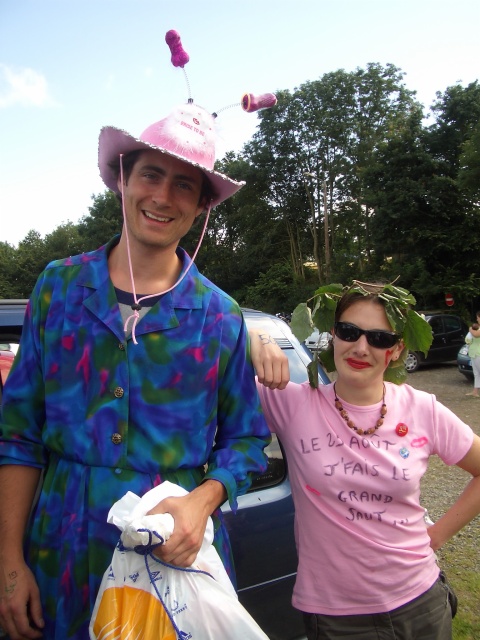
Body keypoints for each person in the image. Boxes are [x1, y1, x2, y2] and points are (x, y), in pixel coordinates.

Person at [0, 82, 275, 640]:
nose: (163, 197)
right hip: (59, 553)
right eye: (151, 175)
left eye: (184, 184)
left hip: (172, 559)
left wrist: (204, 500)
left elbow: (246, 441)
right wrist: (8, 562)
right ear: (123, 179)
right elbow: (18, 435)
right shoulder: (58, 288)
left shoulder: (219, 316)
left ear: (202, 205)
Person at [250, 282, 480, 640]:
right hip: (338, 618)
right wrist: (257, 337)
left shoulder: (423, 409)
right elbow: (200, 364)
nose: (360, 347)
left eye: (379, 338)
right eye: (349, 331)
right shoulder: (291, 403)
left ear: (397, 349)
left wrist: (437, 535)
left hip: (420, 603)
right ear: (333, 334)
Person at [465, 312, 480, 397]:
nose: (477, 319)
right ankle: (475, 392)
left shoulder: (476, 330)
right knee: (476, 373)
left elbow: (476, 335)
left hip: (478, 353)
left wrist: (470, 329)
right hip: (473, 353)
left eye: (477, 317)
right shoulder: (477, 327)